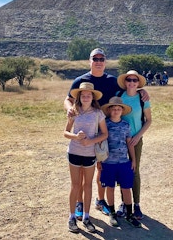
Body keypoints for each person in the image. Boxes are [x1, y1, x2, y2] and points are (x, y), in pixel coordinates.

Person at [64, 48, 150, 219]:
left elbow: (128, 89)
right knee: (83, 171)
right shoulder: (80, 81)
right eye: (95, 58)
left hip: (106, 131)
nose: (98, 61)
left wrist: (141, 90)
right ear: (89, 61)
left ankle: (100, 200)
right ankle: (80, 202)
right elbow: (68, 99)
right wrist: (70, 110)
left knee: (101, 168)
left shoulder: (112, 81)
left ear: (105, 61)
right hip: (87, 131)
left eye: (101, 58)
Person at [64, 82, 108, 233]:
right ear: (79, 97)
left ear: (92, 97)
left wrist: (91, 141)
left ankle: (87, 217)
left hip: (89, 154)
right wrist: (75, 137)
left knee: (87, 185)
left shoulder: (98, 113)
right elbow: (65, 132)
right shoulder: (73, 111)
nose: (86, 97)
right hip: (74, 152)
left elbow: (104, 134)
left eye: (89, 95)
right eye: (83, 95)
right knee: (75, 185)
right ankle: (71, 218)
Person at [115, 70, 152, 220]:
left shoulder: (143, 98)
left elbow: (149, 120)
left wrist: (138, 136)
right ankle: (124, 203)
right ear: (125, 82)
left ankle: (136, 204)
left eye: (134, 80)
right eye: (129, 80)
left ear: (138, 83)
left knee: (134, 171)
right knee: (121, 171)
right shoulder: (119, 96)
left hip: (135, 140)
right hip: (120, 140)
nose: (131, 82)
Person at [100, 97, 141, 228]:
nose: (116, 111)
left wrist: (133, 160)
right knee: (110, 187)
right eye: (114, 109)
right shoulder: (105, 125)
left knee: (126, 188)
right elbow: (100, 143)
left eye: (119, 109)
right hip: (108, 162)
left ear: (122, 111)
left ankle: (129, 214)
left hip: (124, 161)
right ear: (109, 110)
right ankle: (112, 213)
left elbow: (130, 144)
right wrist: (99, 161)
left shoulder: (126, 125)